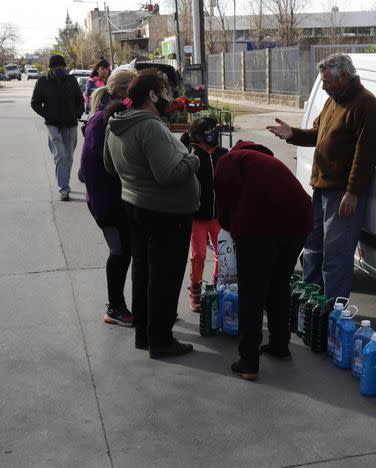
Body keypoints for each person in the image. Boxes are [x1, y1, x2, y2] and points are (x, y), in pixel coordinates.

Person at [266, 53, 376, 301]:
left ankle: (331, 314)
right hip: (321, 189)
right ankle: (310, 305)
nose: (324, 87)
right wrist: (292, 134)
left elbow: (365, 155)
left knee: (335, 257)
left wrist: (352, 192)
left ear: (343, 78)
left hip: (342, 195)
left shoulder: (366, 104)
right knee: (313, 249)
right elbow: (318, 133)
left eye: (327, 82)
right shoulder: (334, 100)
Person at [104, 69, 200, 359]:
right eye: (166, 92)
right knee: (165, 277)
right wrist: (192, 158)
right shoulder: (150, 126)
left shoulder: (116, 122)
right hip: (165, 214)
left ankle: (145, 335)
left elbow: (110, 167)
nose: (169, 98)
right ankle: (161, 340)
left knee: (144, 272)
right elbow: (168, 173)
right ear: (152, 95)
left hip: (136, 207)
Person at [214, 141, 313, 380]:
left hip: (258, 228)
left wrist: (230, 226)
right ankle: (279, 346)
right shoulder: (272, 162)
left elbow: (223, 200)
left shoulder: (229, 160)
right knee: (279, 284)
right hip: (299, 223)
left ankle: (248, 361)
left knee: (252, 292)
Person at [80, 69, 137, 327]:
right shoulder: (103, 122)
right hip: (108, 201)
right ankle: (115, 308)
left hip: (117, 198)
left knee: (127, 251)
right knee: (120, 252)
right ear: (122, 91)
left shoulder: (113, 116)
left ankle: (131, 304)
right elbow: (94, 168)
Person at [181, 117, 228, 312]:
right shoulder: (191, 154)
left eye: (215, 129)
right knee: (199, 255)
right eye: (209, 130)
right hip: (198, 216)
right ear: (199, 134)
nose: (214, 133)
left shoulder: (222, 154)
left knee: (223, 255)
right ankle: (195, 288)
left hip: (219, 216)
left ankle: (218, 287)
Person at [30, 54, 85, 201]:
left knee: (68, 157)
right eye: (56, 67)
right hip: (53, 125)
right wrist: (47, 115)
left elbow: (80, 101)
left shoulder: (71, 80)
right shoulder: (43, 82)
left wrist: (77, 113)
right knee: (60, 155)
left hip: (70, 124)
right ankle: (64, 189)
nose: (60, 69)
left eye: (62, 67)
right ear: (51, 68)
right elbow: (35, 103)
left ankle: (63, 180)